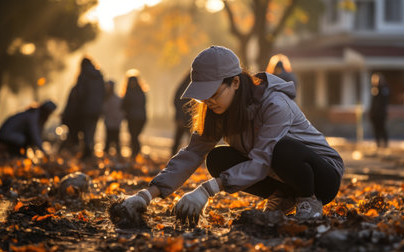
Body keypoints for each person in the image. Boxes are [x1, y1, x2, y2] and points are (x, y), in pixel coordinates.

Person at [117, 46, 344, 225]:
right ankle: (285, 195)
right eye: (203, 97)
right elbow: (191, 154)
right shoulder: (218, 111)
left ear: (235, 82)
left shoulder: (274, 104)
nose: (208, 101)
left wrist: (206, 191)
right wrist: (146, 195)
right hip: (278, 172)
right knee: (217, 159)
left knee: (282, 149)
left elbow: (261, 161)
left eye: (213, 94)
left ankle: (308, 201)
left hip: (322, 175)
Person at [75, 56, 105, 159]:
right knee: (93, 129)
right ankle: (90, 148)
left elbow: (80, 93)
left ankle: (87, 150)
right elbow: (104, 91)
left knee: (86, 130)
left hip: (85, 108)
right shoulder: (99, 75)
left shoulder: (83, 75)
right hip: (97, 108)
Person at [121, 73, 147, 158]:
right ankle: (135, 152)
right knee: (134, 135)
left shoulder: (137, 92)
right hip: (133, 117)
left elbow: (124, 105)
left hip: (139, 118)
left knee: (134, 135)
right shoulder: (139, 92)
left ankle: (136, 152)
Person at [171, 72, 192, 156]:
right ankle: (174, 155)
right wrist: (179, 117)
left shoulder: (183, 86)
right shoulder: (184, 88)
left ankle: (175, 155)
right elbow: (177, 102)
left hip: (189, 118)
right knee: (180, 138)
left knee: (188, 139)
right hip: (184, 118)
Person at [103, 80, 124, 156]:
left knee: (116, 139)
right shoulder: (106, 98)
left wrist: (119, 119)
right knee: (108, 138)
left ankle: (117, 153)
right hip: (109, 122)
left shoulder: (117, 99)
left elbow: (120, 111)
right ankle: (107, 153)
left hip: (115, 122)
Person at [369, 73, 389, 148]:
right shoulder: (374, 89)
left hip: (381, 113)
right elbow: (373, 102)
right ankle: (378, 143)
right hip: (375, 113)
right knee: (376, 128)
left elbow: (384, 102)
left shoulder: (384, 89)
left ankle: (385, 142)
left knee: (382, 128)